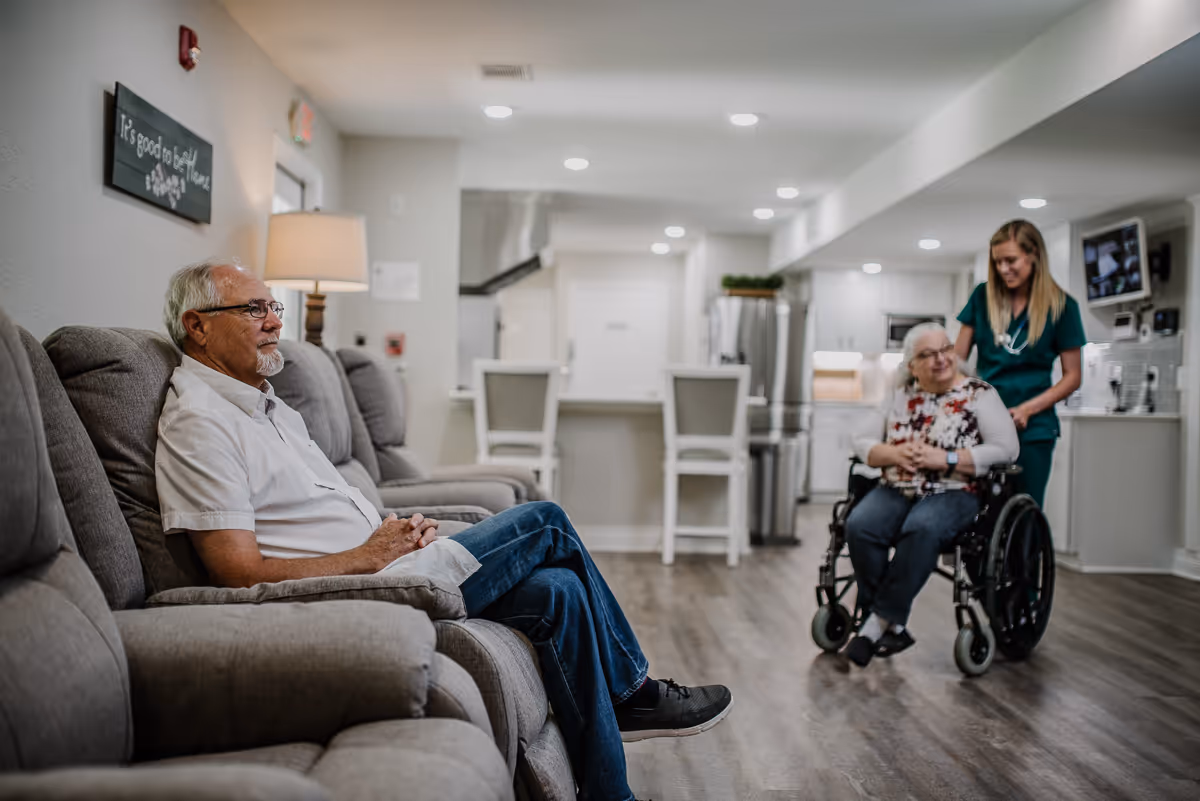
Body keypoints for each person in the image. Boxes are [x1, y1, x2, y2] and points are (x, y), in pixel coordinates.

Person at [155, 258, 733, 801]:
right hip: (361, 589)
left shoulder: (269, 408)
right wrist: (365, 556)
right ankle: (634, 692)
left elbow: (318, 513)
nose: (275, 321)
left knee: (560, 592)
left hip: (391, 562)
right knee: (547, 521)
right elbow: (235, 570)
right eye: (254, 309)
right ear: (197, 327)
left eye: (274, 305)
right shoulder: (200, 421)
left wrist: (393, 530)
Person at [841, 323, 1018, 668]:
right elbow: (859, 441)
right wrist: (891, 454)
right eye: (928, 354)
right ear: (912, 366)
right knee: (860, 525)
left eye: (945, 350)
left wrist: (949, 458)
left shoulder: (980, 394)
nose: (940, 359)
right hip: (898, 485)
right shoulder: (899, 396)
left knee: (921, 528)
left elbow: (1007, 450)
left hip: (954, 490)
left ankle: (875, 625)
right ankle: (894, 622)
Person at [954, 219, 1086, 507]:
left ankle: (1026, 553)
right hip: (984, 420)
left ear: (1033, 254)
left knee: (1024, 507)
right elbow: (957, 361)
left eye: (1011, 260)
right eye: (998, 262)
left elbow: (1072, 376)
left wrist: (1028, 408)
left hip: (1033, 425)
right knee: (980, 507)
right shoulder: (982, 297)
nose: (1004, 269)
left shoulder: (1062, 307)